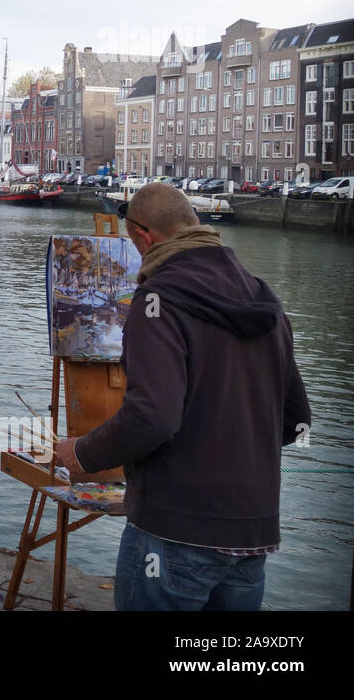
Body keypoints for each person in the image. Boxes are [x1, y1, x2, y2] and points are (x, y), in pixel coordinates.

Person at [54, 182, 310, 611]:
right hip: (253, 535)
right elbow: (296, 420)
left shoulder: (158, 301)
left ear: (141, 236)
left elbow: (153, 415)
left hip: (175, 533)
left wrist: (82, 452)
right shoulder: (267, 303)